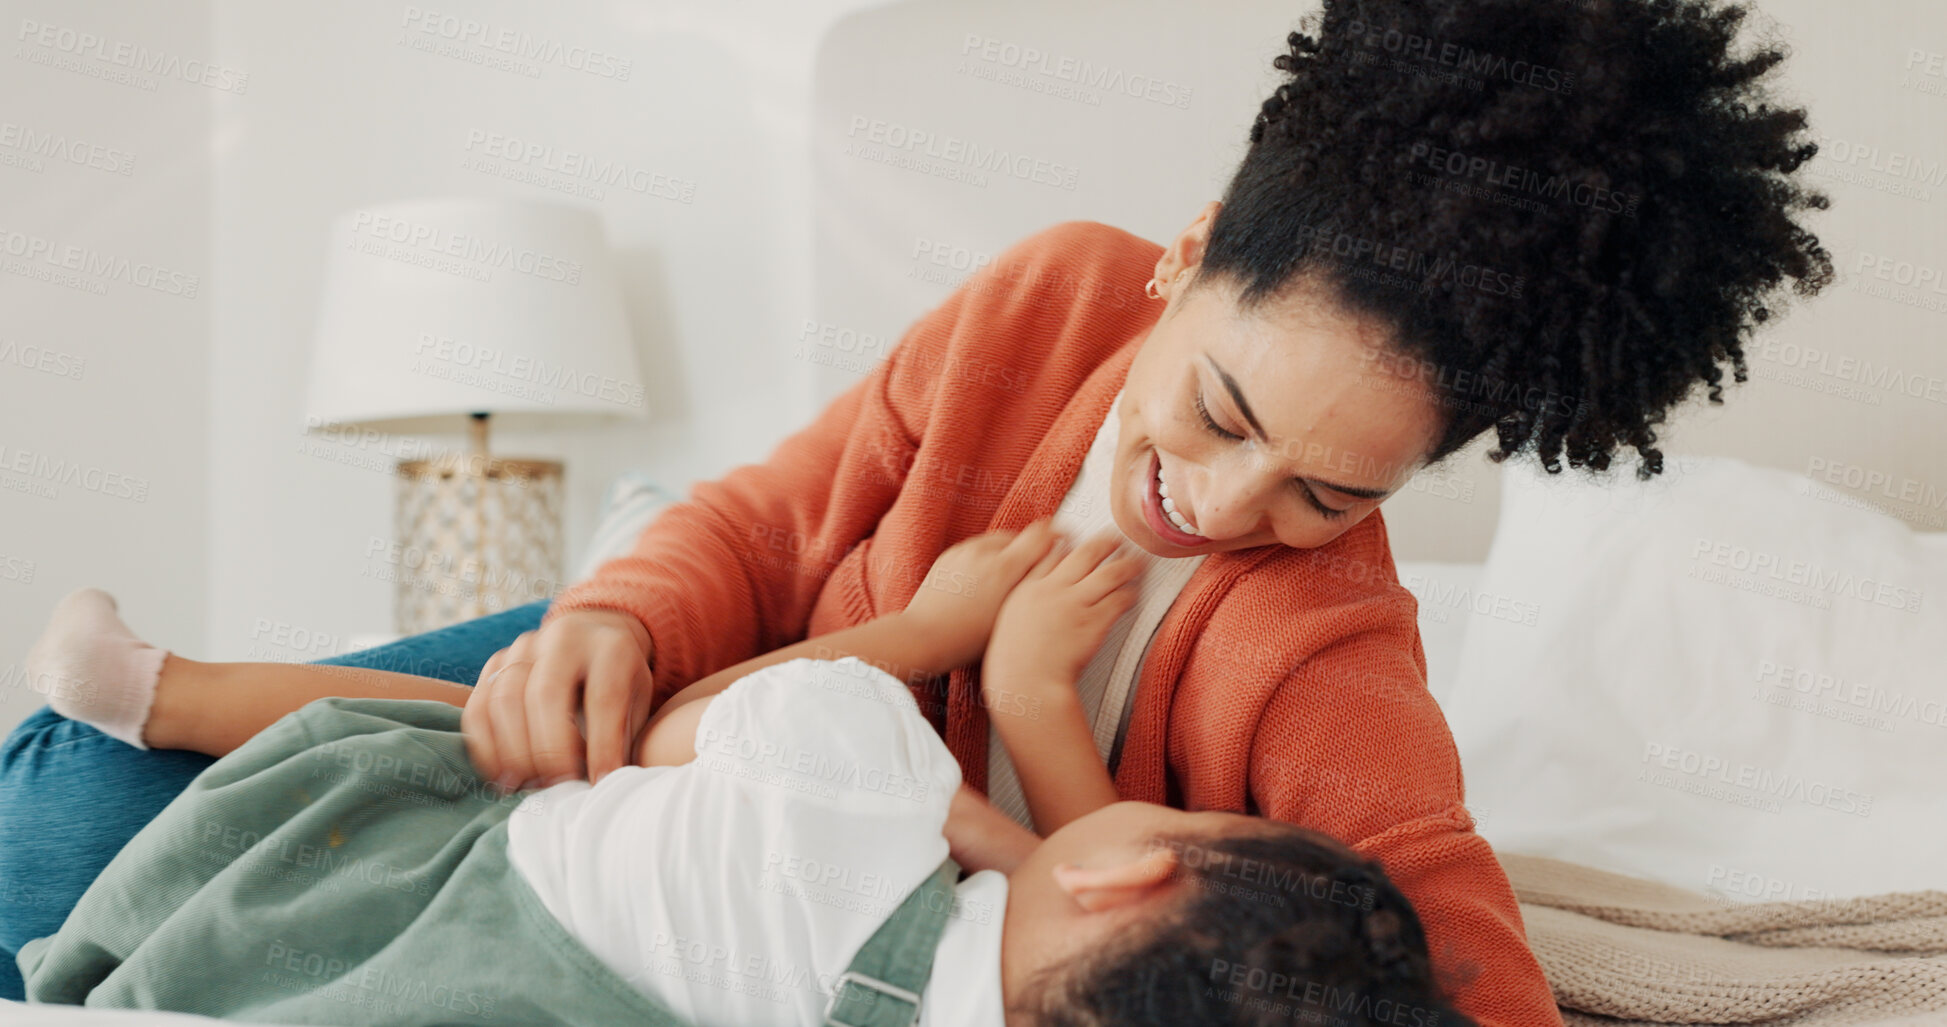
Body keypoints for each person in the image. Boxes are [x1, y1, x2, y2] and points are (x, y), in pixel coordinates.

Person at [0, 0, 1834, 1021]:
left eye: (1330, 492)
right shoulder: (1049, 296)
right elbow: (769, 520)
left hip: (800, 859)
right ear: (1184, 260)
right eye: (1217, 411)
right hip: (732, 677)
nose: (1223, 503)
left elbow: (1459, 953)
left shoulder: (1327, 648)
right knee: (64, 792)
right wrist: (615, 623)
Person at [19, 526, 1471, 1027]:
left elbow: (687, 722)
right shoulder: (944, 873)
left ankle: (160, 694)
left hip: (393, 892)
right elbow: (1063, 893)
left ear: (1130, 863)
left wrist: (957, 646)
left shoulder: (866, 772)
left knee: (520, 734)